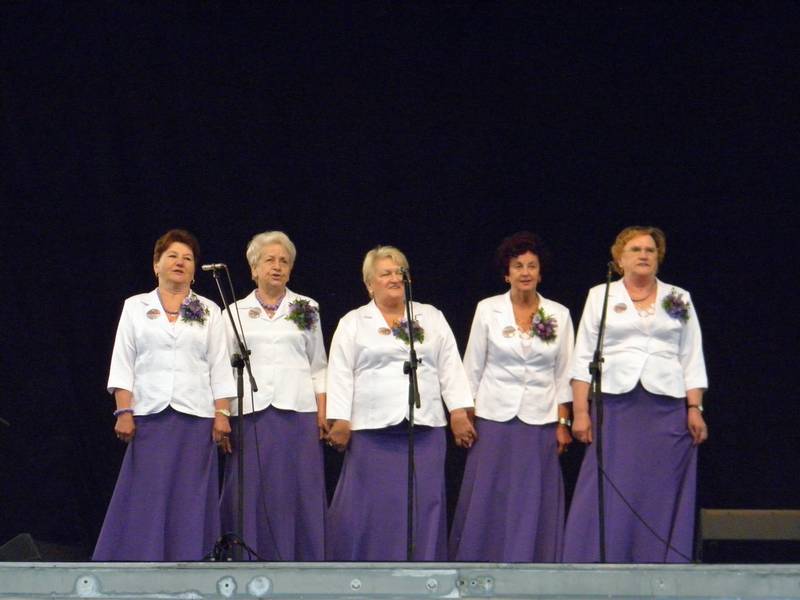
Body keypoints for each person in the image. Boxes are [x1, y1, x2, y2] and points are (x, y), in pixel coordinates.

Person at [563, 226, 708, 563]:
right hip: (616, 405)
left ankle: (657, 561)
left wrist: (695, 407)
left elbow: (691, 354)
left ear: (658, 258)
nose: (644, 255)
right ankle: (600, 560)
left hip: (665, 407)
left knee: (658, 486)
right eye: (636, 250)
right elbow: (583, 355)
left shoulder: (678, 297)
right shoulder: (601, 295)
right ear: (619, 259)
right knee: (612, 484)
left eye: (650, 250)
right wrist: (581, 412)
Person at [325, 245, 476, 561]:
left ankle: (423, 572)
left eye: (400, 272)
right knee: (371, 505)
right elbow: (340, 372)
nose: (395, 278)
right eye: (386, 274)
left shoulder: (430, 317)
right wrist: (339, 418)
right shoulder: (354, 322)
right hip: (371, 431)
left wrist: (458, 411)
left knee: (425, 502)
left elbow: (449, 366)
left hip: (425, 429)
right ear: (370, 284)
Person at [94, 229, 235, 561]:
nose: (180, 262)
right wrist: (123, 411)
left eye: (187, 258)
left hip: (196, 418)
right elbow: (123, 362)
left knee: (189, 494)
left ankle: (188, 560)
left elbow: (219, 365)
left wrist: (222, 413)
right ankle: (139, 560)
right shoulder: (135, 306)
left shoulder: (209, 310)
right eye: (172, 256)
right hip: (150, 416)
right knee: (147, 493)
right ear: (156, 264)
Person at [449, 232, 574, 562]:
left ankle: (531, 565)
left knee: (531, 497)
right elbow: (472, 367)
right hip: (493, 418)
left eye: (532, 266)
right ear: (507, 273)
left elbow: (564, 374)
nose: (525, 272)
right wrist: (464, 415)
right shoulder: (488, 309)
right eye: (518, 266)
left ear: (540, 273)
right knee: (490, 494)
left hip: (540, 421)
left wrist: (563, 423)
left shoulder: (559, 314)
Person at [219, 231, 327, 560]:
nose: (277, 267)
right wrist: (222, 414)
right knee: (250, 490)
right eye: (269, 260)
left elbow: (319, 365)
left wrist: (323, 411)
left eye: (284, 261)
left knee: (297, 490)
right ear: (254, 268)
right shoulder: (234, 311)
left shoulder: (306, 307)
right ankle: (247, 559)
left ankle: (301, 562)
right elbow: (222, 369)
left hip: (298, 412)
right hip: (249, 414)